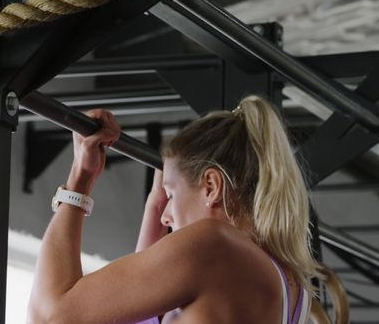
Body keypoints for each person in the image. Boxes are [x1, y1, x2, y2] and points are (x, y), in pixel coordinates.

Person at [28, 95, 347, 324]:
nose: (166, 215)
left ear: (211, 186)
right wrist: (158, 203)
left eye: (171, 196)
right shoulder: (290, 287)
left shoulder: (215, 245)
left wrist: (80, 179)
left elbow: (49, 316)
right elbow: (143, 302)